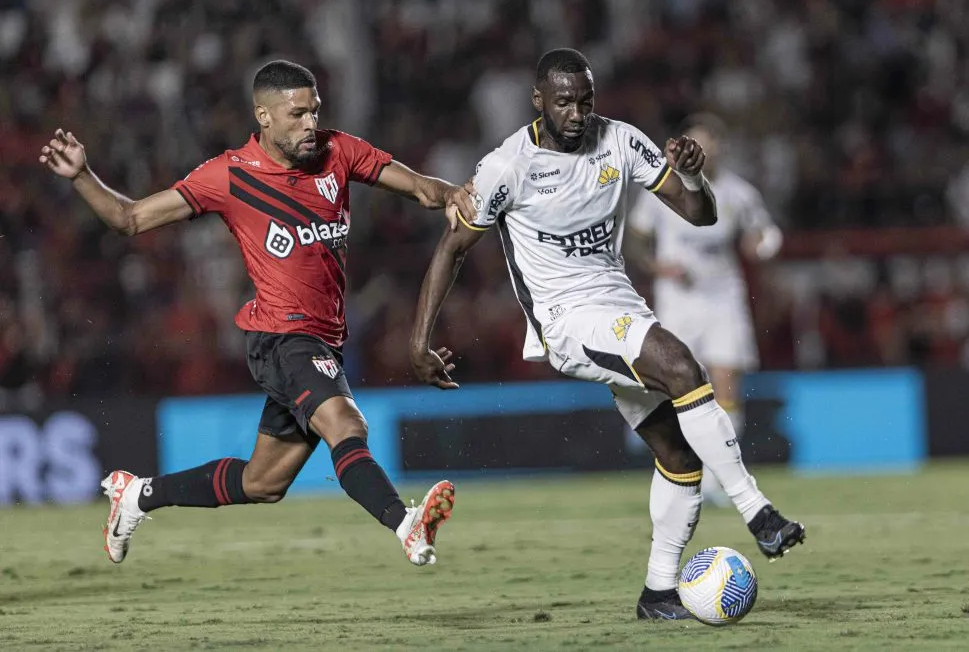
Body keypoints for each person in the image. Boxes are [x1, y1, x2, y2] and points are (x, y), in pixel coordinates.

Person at [408, 49, 805, 620]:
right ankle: (757, 511)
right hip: (566, 321)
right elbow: (451, 250)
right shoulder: (507, 166)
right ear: (538, 101)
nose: (577, 113)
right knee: (681, 367)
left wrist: (692, 173)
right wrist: (418, 342)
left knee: (679, 455)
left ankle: (658, 592)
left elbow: (701, 213)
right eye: (564, 102)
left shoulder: (620, 140)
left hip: (618, 305)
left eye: (586, 101)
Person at [39, 60, 472, 568]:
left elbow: (423, 188)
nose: (310, 124)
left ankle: (137, 495)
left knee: (263, 483)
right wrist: (84, 176)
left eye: (314, 111)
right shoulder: (229, 174)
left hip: (323, 338)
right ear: (263, 116)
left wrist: (458, 195)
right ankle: (407, 524)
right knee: (347, 424)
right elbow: (130, 219)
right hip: (281, 338)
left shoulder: (338, 151)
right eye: (297, 115)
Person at [629, 113, 782, 506]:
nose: (700, 150)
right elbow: (638, 242)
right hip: (677, 300)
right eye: (693, 143)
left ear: (718, 147)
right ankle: (680, 467)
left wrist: (760, 244)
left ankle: (720, 477)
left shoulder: (739, 193)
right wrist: (659, 266)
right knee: (681, 386)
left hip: (723, 297)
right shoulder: (663, 189)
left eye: (707, 144)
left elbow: (762, 234)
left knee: (726, 380)